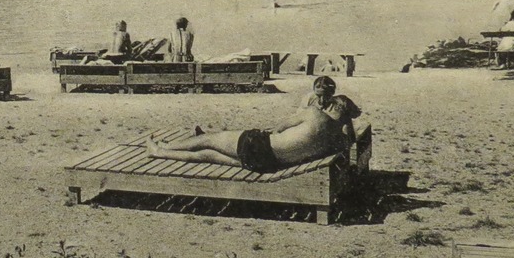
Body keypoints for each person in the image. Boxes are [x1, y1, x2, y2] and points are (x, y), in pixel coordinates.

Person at [149, 76, 360, 174]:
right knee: (207, 155)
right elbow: (349, 139)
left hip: (258, 146)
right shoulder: (335, 139)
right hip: (269, 163)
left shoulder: (314, 114)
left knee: (208, 141)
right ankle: (159, 152)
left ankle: (163, 148)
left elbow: (279, 128)